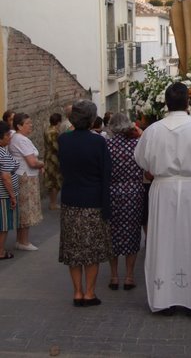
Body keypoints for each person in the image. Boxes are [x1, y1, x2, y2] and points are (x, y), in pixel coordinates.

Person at [134, 82, 191, 316]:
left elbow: (141, 160)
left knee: (164, 241)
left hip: (164, 190)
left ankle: (165, 300)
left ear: (166, 102)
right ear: (188, 102)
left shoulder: (153, 131)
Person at [58, 100, 112, 307]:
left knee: (73, 250)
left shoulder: (64, 140)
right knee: (92, 251)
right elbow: (106, 174)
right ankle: (89, 293)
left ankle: (77, 292)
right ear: (91, 119)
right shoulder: (98, 142)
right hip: (93, 202)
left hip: (70, 200)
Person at [106, 113, 144, 291]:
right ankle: (129, 276)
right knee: (132, 233)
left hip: (112, 192)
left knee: (112, 234)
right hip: (134, 193)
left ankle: (114, 276)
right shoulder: (137, 145)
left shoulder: (106, 145)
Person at [8, 113, 44, 251]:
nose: (31, 125)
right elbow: (32, 162)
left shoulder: (18, 138)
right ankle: (23, 240)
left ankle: (21, 240)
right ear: (19, 126)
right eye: (27, 123)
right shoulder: (20, 140)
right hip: (25, 176)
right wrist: (42, 164)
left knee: (24, 208)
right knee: (26, 208)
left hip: (25, 175)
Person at [0, 121, 19, 260]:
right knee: (3, 226)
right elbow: (6, 177)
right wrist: (12, 196)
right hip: (3, 196)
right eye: (7, 135)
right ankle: (0, 252)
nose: (9, 137)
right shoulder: (1, 153)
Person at [44, 113, 63, 210]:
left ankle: (52, 202)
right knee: (55, 181)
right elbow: (56, 146)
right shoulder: (54, 132)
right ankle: (53, 203)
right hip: (54, 158)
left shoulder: (47, 129)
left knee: (51, 180)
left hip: (48, 157)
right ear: (59, 121)